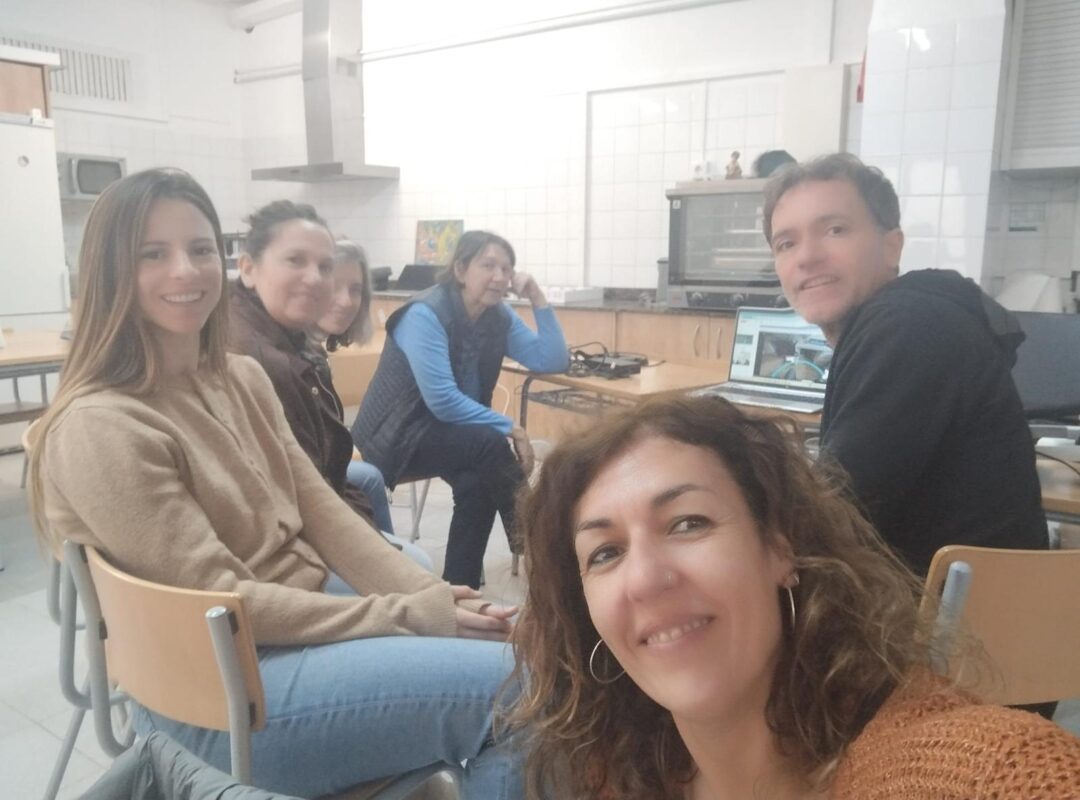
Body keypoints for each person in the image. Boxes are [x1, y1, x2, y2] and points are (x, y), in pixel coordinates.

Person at [28, 169, 523, 799]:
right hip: (224, 702)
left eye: (200, 248)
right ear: (109, 272)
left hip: (277, 639)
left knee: (509, 653)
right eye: (153, 253)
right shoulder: (103, 427)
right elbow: (226, 602)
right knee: (523, 693)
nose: (186, 270)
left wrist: (431, 598)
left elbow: (322, 510)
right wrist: (405, 615)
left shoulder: (238, 377)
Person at [507, 394, 1080, 800]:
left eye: (687, 523)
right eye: (605, 553)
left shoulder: (977, 770)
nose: (644, 579)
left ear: (779, 547)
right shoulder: (619, 768)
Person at [763, 152, 1047, 577]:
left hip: (950, 615)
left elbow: (830, 518)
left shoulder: (907, 326)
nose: (807, 257)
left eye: (835, 229)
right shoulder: (905, 318)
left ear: (891, 246)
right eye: (786, 243)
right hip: (947, 599)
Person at [353, 230, 569, 589]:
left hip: (450, 436)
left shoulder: (497, 316)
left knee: (478, 480)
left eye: (507, 268)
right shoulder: (425, 314)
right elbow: (442, 400)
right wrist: (511, 428)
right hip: (395, 436)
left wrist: (537, 297)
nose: (499, 276)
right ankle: (540, 542)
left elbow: (552, 359)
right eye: (488, 265)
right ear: (460, 270)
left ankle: (460, 589)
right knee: (489, 444)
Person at [229, 205, 401, 544]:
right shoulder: (266, 362)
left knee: (367, 479)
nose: (314, 279)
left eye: (324, 267)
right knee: (414, 560)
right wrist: (387, 556)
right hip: (284, 538)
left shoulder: (290, 342)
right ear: (248, 268)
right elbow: (308, 500)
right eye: (295, 260)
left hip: (305, 495)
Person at [312, 238, 397, 535]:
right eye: (334, 286)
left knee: (369, 477)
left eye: (355, 290)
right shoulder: (285, 361)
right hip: (307, 498)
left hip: (325, 470)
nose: (347, 301)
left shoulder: (314, 352)